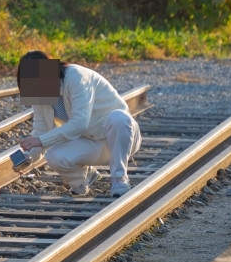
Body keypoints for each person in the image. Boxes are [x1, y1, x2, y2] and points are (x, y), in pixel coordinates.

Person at [16, 50, 141, 197]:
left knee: (119, 118)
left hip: (119, 139)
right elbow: (40, 132)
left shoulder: (76, 77)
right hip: (90, 145)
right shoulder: (40, 95)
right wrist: (28, 157)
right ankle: (83, 180)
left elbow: (79, 123)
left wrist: (41, 140)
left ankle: (119, 178)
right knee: (54, 155)